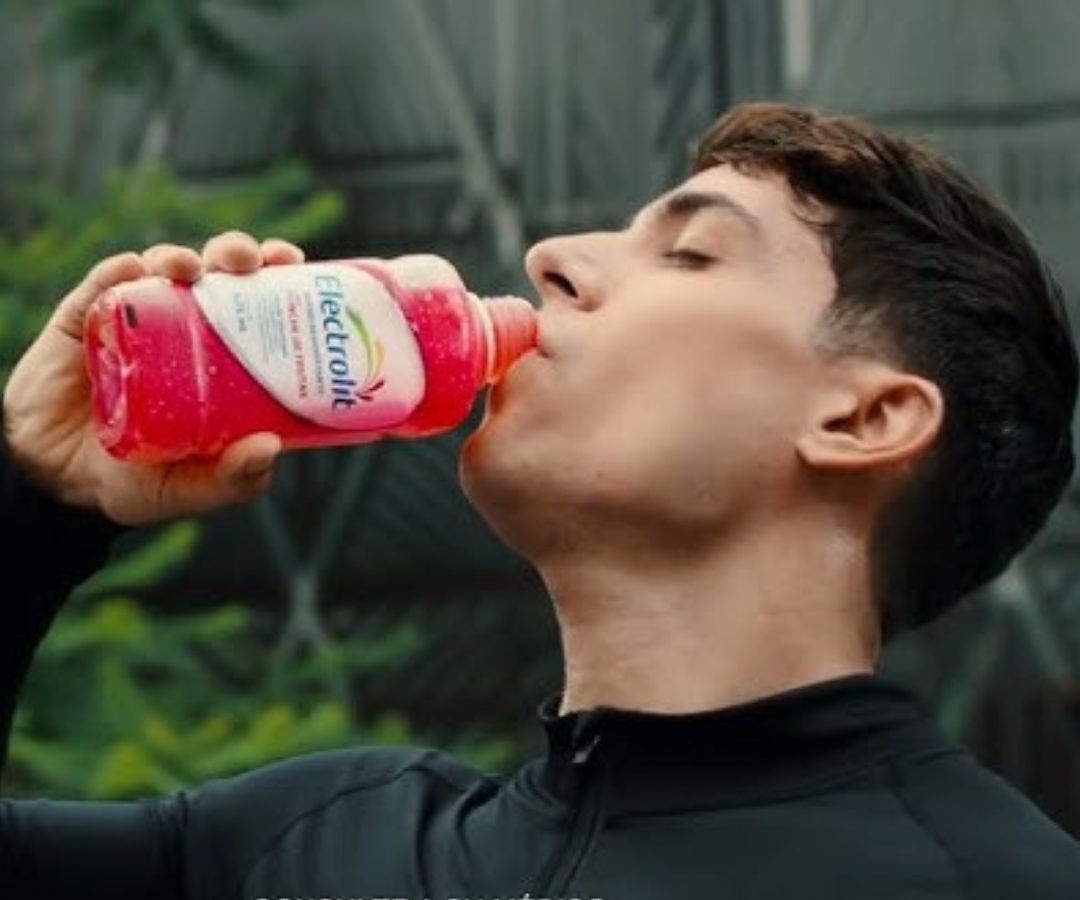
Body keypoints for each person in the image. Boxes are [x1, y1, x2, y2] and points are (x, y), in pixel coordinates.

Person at [3, 100, 1080, 899]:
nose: (549, 256)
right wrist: (37, 498)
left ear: (864, 418)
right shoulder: (312, 848)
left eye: (691, 254)